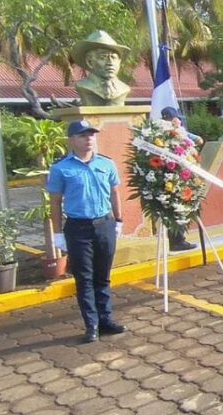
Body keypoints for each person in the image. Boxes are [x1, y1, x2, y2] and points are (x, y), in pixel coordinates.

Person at [48, 120, 127, 343]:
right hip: (78, 228)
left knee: (103, 277)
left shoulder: (106, 164)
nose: (89, 138)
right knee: (84, 278)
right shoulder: (61, 168)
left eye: (92, 134)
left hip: (104, 225)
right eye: (83, 135)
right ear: (72, 140)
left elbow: (114, 193)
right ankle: (91, 325)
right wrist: (57, 234)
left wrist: (118, 220)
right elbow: (55, 202)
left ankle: (106, 320)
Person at [160, 107, 201, 252]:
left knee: (181, 208)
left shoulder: (180, 133)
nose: (178, 121)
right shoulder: (163, 134)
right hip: (170, 178)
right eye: (176, 119)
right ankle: (177, 241)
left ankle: (179, 239)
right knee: (174, 210)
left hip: (180, 176)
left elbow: (197, 140)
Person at [72, 31, 132, 106]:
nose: (110, 62)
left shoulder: (124, 88)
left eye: (114, 57)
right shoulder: (83, 86)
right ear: (89, 62)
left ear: (119, 61)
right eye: (103, 57)